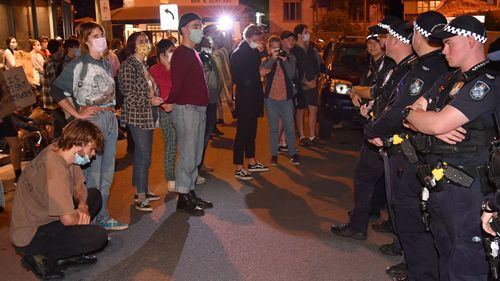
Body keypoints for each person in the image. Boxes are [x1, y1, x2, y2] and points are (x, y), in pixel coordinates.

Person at [405, 15, 498, 281]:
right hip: (440, 182)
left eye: (448, 43)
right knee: (444, 251)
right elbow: (411, 113)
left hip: (468, 189)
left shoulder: (486, 83)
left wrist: (431, 122)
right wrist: (421, 120)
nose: (443, 50)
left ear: (470, 41)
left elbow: (436, 123)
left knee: (465, 261)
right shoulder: (447, 80)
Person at [49, 21, 128, 231]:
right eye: (95, 35)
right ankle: (90, 221)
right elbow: (56, 90)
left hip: (110, 118)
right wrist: (77, 113)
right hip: (92, 121)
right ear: (85, 40)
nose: (100, 38)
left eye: (101, 34)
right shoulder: (78, 65)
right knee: (93, 174)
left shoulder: (105, 63)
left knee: (107, 172)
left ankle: (102, 216)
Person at [10, 119, 108, 280]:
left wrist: (83, 207)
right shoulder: (55, 169)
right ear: (81, 143)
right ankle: (39, 256)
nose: (93, 155)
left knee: (93, 196)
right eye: (92, 149)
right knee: (97, 236)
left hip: (46, 218)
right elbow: (68, 220)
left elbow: (79, 186)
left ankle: (64, 252)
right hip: (30, 235)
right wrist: (79, 218)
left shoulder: (64, 150)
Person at [331, 16, 398, 241]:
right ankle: (370, 212)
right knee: (378, 177)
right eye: (370, 40)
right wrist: (356, 93)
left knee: (367, 176)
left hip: (383, 128)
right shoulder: (376, 65)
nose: (372, 44)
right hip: (375, 124)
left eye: (377, 39)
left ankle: (359, 224)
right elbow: (366, 89)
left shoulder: (392, 65)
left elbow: (378, 93)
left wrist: (359, 93)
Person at [164, 12, 213, 216]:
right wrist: (170, 102)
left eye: (201, 26)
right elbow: (178, 84)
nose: (199, 30)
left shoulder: (193, 52)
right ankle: (183, 197)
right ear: (184, 28)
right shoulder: (182, 53)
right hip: (186, 108)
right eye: (195, 25)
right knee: (187, 154)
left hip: (198, 108)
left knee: (195, 155)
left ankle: (189, 191)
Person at [118, 31, 162, 212]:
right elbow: (129, 93)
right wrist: (149, 100)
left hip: (148, 114)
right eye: (141, 41)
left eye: (147, 41)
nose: (146, 43)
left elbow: (149, 88)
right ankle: (141, 196)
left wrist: (156, 98)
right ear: (132, 45)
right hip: (137, 115)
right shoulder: (129, 65)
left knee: (142, 155)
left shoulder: (143, 64)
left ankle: (142, 190)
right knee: (144, 156)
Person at [230, 24, 271, 181]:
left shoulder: (253, 51)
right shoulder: (238, 53)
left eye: (259, 39)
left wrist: (264, 57)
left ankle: (252, 161)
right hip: (245, 97)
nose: (258, 42)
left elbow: (257, 66)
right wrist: (258, 73)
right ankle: (238, 167)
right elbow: (240, 78)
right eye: (255, 39)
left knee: (252, 131)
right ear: (247, 37)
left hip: (254, 96)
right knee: (242, 132)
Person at [261, 33, 300, 166]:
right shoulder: (266, 60)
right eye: (273, 48)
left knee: (289, 126)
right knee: (273, 128)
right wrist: (273, 58)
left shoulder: (290, 58)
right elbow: (264, 70)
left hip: (286, 98)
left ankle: (293, 153)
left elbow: (291, 74)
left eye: (278, 47)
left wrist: (284, 60)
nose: (277, 50)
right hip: (271, 99)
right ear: (269, 49)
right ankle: (274, 154)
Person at [149, 39, 177, 193]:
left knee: (186, 145)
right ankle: (171, 178)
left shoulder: (178, 68)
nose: (174, 53)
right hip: (165, 112)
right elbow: (151, 92)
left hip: (180, 110)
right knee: (171, 144)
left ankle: (186, 174)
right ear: (162, 53)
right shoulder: (154, 70)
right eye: (171, 51)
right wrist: (162, 104)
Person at [291, 24, 322, 146]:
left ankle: (312, 136)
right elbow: (294, 69)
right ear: (299, 34)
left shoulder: (310, 49)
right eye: (305, 32)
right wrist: (305, 82)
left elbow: (316, 65)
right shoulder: (294, 50)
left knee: (313, 109)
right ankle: (302, 136)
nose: (307, 34)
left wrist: (314, 79)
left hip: (312, 84)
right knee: (301, 110)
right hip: (300, 85)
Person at [198, 36, 222, 173]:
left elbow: (217, 76)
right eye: (206, 44)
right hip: (203, 101)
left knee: (207, 134)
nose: (209, 46)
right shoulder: (199, 59)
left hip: (212, 99)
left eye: (210, 44)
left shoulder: (211, 57)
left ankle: (201, 162)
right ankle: (197, 164)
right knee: (201, 135)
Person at [42, 39, 67, 139]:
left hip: (54, 100)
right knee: (63, 123)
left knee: (57, 124)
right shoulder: (51, 63)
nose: (62, 49)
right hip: (52, 100)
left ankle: (54, 144)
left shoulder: (54, 61)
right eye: (61, 47)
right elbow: (55, 83)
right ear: (58, 48)